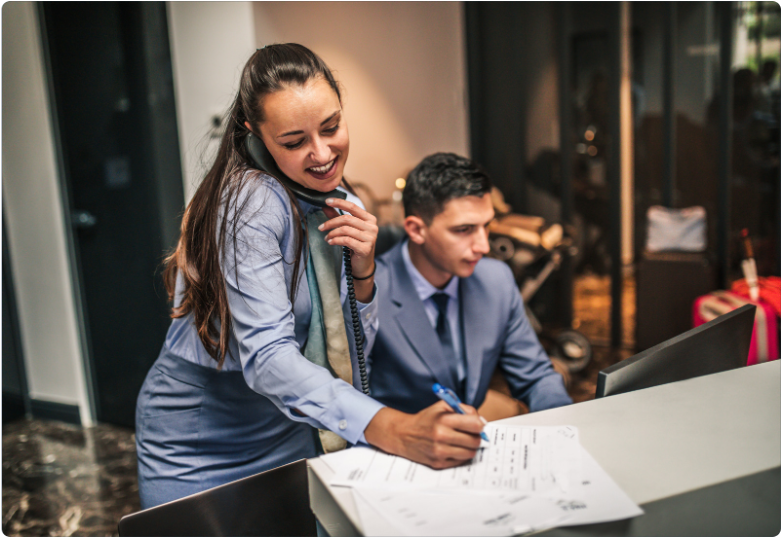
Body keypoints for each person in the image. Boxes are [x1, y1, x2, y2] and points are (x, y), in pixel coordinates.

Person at [135, 45, 484, 509]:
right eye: (294, 141)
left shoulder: (338, 198)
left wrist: (363, 271)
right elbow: (268, 357)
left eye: (331, 127)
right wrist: (389, 425)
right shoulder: (250, 201)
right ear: (253, 133)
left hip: (290, 423)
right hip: (205, 439)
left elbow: (357, 349)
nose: (322, 154)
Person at [369, 152, 573, 415]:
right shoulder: (367, 292)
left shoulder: (495, 279)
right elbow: (349, 400)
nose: (483, 246)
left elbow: (534, 376)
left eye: (486, 226)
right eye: (464, 230)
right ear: (416, 229)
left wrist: (565, 427)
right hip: (396, 447)